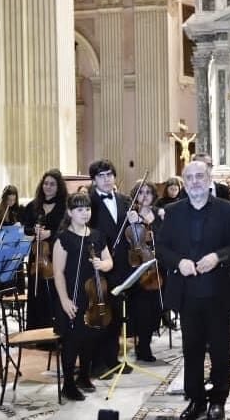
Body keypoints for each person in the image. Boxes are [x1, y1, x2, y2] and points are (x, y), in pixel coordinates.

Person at [155, 160, 230, 420]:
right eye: (190, 177)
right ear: (184, 182)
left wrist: (218, 257)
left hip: (218, 291)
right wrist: (178, 262)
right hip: (187, 293)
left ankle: (218, 400)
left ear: (209, 180)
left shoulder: (228, 210)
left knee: (220, 350)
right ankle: (196, 400)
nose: (195, 181)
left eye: (200, 176)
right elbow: (162, 248)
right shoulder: (173, 211)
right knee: (191, 350)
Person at [54, 192, 114, 400]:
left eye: (87, 209)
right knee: (72, 340)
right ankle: (68, 383)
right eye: (79, 209)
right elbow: (58, 273)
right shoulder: (63, 238)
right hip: (72, 296)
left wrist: (102, 264)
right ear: (70, 212)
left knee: (90, 338)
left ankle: (84, 376)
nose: (84, 213)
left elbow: (109, 262)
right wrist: (64, 300)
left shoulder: (97, 236)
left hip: (93, 296)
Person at [87, 159, 131, 377]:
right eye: (101, 176)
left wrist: (135, 220)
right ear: (94, 179)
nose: (106, 179)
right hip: (98, 264)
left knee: (115, 313)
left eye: (109, 175)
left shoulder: (124, 200)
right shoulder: (88, 201)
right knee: (99, 314)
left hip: (121, 264)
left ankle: (113, 359)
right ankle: (96, 363)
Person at [122, 180, 163, 361]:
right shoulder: (131, 215)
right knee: (141, 310)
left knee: (156, 309)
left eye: (148, 192)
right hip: (137, 266)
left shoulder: (159, 214)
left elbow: (168, 238)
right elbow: (126, 241)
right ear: (135, 196)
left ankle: (146, 340)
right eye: (140, 192)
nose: (145, 195)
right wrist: (132, 222)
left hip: (157, 266)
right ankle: (142, 346)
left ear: (154, 195)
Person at [22, 169, 68, 330]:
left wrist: (52, 233)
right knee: (37, 294)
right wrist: (33, 231)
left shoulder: (65, 207)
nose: (48, 187)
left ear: (58, 187)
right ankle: (36, 332)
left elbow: (69, 229)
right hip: (37, 257)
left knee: (56, 292)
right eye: (46, 183)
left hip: (58, 255)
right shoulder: (32, 206)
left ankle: (56, 331)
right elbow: (24, 228)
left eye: (52, 184)